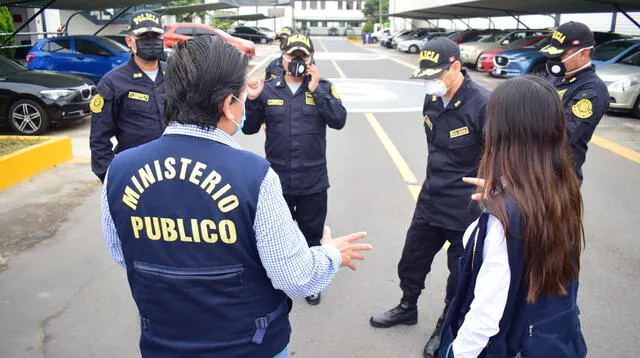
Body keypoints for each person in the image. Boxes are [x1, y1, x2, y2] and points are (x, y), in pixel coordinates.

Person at [100, 35, 371, 358]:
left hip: (163, 342)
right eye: (242, 96)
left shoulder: (120, 169)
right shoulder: (253, 176)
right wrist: (330, 254)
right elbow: (295, 277)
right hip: (248, 345)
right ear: (229, 105)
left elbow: (122, 252)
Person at [437, 76, 586, 358]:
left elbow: (484, 320)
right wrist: (504, 191)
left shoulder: (501, 221)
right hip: (553, 341)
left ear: (503, 132)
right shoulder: (562, 189)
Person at [368, 37, 490, 358]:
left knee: (459, 274)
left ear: (455, 67)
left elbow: (500, 154)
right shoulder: (433, 99)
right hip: (431, 197)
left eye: (437, 74)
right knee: (412, 260)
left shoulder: (483, 104)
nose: (431, 82)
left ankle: (446, 325)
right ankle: (407, 306)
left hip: (467, 207)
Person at [243, 33, 347, 306]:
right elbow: (249, 127)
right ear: (283, 58)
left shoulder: (323, 87)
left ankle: (311, 282)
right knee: (275, 233)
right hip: (276, 180)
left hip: (313, 180)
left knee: (311, 234)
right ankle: (275, 279)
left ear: (311, 60)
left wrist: (317, 90)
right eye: (293, 56)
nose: (298, 61)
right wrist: (253, 99)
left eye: (303, 57)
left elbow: (339, 120)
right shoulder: (267, 88)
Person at [90, 10, 167, 182]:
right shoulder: (113, 82)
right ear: (129, 40)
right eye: (144, 36)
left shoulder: (175, 74)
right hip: (136, 174)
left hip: (174, 170)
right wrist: (111, 178)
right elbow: (99, 139)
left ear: (163, 38)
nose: (151, 40)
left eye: (155, 35)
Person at [540, 21, 610, 181]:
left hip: (559, 176)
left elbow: (565, 135)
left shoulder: (591, 91)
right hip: (538, 167)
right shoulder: (559, 77)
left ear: (583, 54)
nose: (554, 61)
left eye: (560, 55)